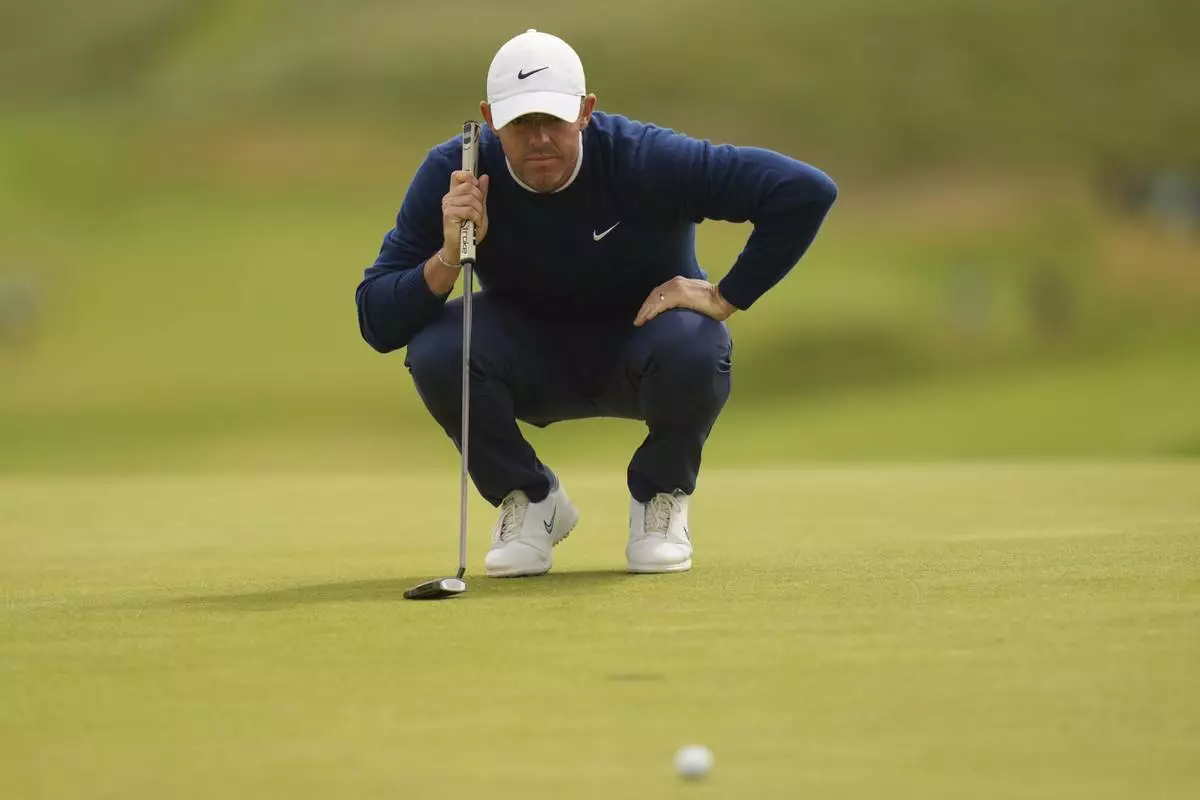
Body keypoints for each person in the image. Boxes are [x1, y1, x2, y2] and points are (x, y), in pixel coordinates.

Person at [355, 29, 837, 578]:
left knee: (697, 340)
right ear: (490, 119)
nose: (539, 138)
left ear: (586, 111)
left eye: (554, 119)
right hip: (528, 356)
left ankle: (660, 496)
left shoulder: (646, 158)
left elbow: (804, 191)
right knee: (438, 347)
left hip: (645, 348)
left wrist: (726, 296)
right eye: (521, 122)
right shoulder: (458, 176)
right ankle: (529, 499)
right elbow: (377, 321)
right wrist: (447, 256)